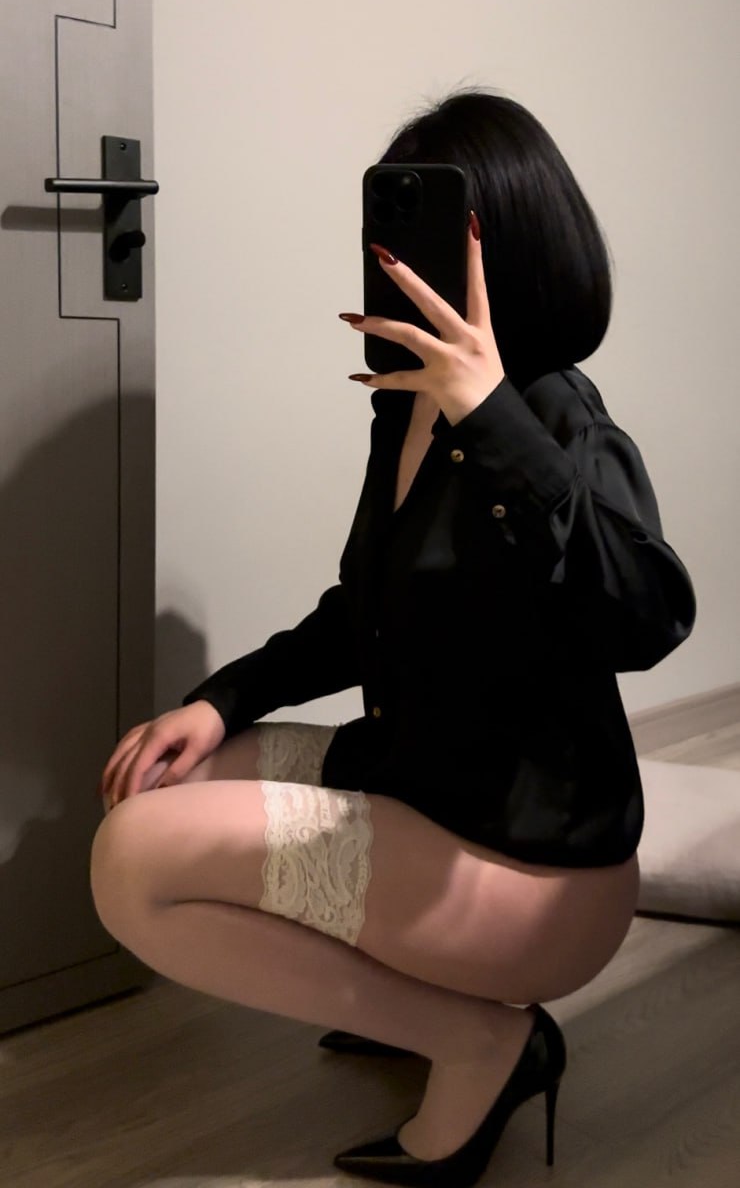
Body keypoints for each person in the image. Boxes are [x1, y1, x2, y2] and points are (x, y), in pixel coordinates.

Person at [92, 89, 696, 1187]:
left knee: (134, 865)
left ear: (506, 245)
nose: (396, 257)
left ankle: (482, 1042)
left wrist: (491, 414)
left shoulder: (557, 415)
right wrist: (222, 700)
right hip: (424, 785)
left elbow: (649, 614)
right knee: (156, 788)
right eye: (387, 226)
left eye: (436, 231)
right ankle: (422, 1000)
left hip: (530, 864)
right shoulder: (402, 406)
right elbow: (364, 612)